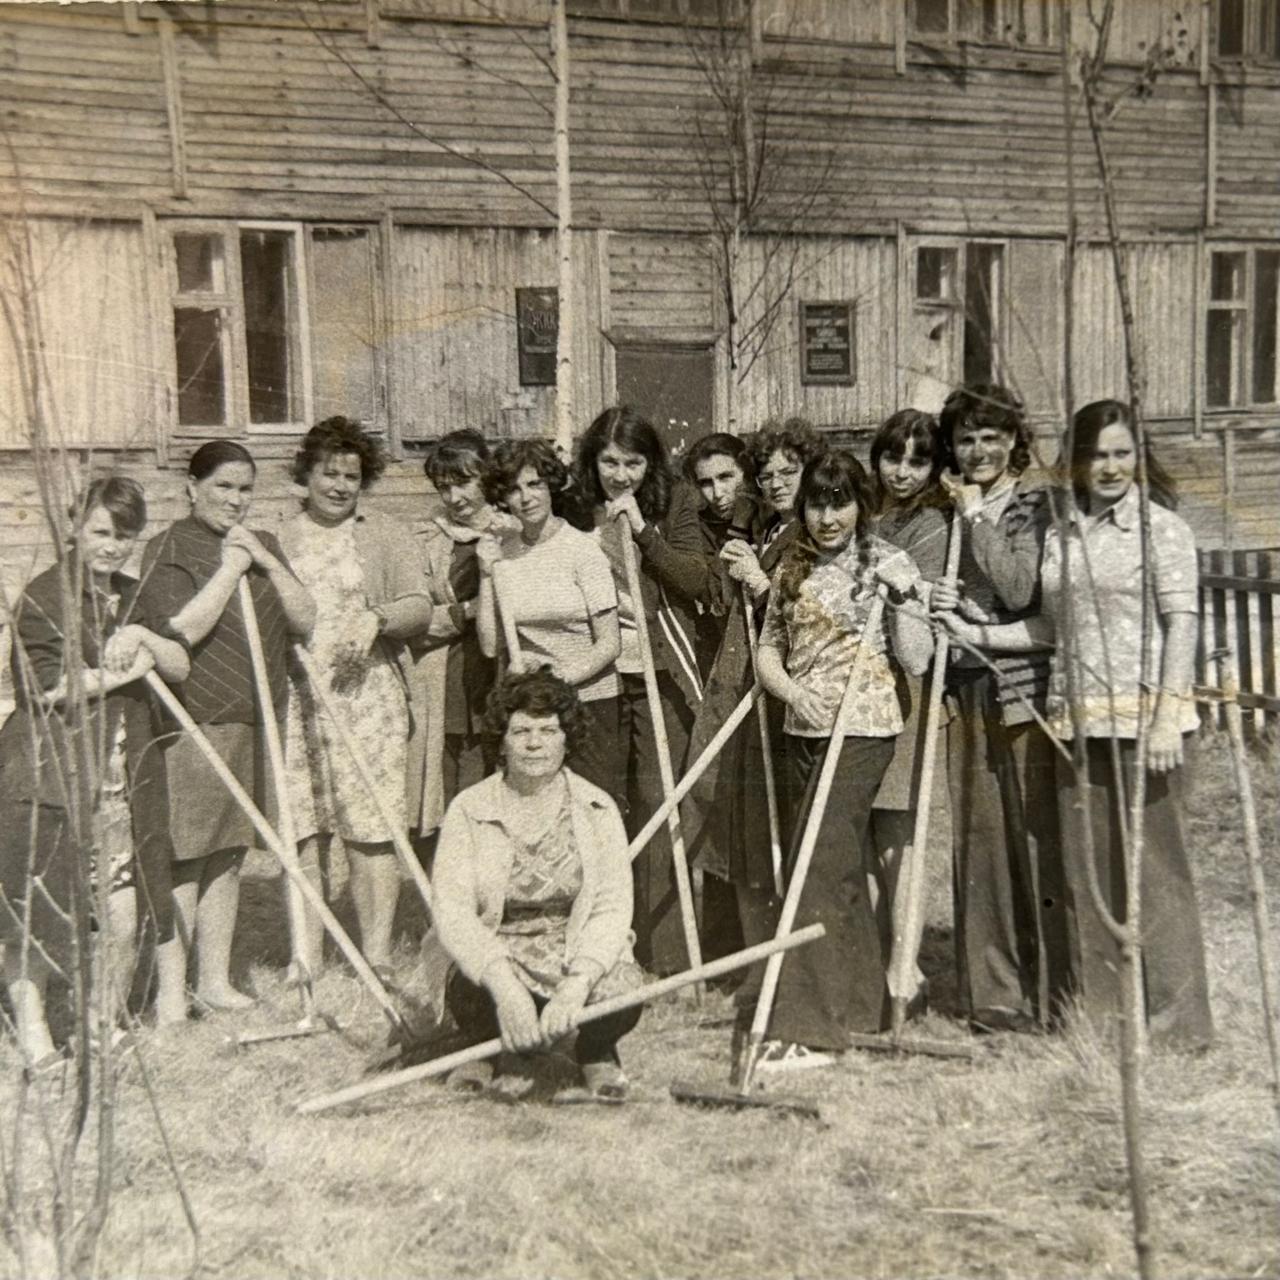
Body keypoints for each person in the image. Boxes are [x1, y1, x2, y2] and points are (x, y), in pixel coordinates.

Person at [941, 400, 1212, 1048]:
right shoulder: (1064, 533)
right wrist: (977, 632)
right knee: (1088, 878)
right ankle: (1104, 1022)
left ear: (1139, 457)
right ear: (1077, 462)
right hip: (1073, 724)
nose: (1110, 467)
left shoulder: (1162, 530)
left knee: (1156, 876)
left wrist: (1168, 718)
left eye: (1122, 454)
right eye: (1097, 455)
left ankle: (1178, 1028)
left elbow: (1182, 626)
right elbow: (1049, 627)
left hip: (1145, 725)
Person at [754, 450, 933, 1070]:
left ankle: (808, 1030)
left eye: (840, 503)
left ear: (861, 505)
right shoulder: (792, 566)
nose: (827, 518)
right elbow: (769, 648)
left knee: (816, 867)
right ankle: (860, 1007)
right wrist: (790, 691)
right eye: (816, 504)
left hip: (863, 729)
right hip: (803, 728)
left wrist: (904, 600)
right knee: (837, 866)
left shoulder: (889, 562)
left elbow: (917, 659)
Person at [0, 478, 188, 1065]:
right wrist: (129, 670)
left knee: (123, 908)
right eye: (101, 532)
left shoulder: (135, 596)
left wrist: (143, 636)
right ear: (74, 528)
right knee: (37, 910)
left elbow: (179, 663)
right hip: (49, 774)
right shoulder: (45, 595)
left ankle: (99, 1024)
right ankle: (34, 1033)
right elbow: (46, 688)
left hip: (122, 778)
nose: (112, 546)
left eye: (125, 535)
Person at [139, 440, 315, 1020]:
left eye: (245, 489)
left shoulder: (261, 543)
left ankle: (213, 981)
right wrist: (231, 568)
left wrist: (263, 561)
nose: (236, 500)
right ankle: (170, 992)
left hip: (256, 713)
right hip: (195, 719)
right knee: (186, 855)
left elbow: (306, 618)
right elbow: (179, 629)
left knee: (229, 853)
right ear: (192, 487)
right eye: (223, 487)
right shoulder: (169, 546)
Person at [430, 669, 644, 1099]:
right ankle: (481, 1050)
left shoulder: (597, 808)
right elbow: (452, 911)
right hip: (497, 956)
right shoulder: (469, 809)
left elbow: (612, 908)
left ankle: (595, 1052)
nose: (534, 743)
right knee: (470, 986)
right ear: (502, 740)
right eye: (521, 731)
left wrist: (577, 984)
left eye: (548, 731)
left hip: (570, 952)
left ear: (567, 739)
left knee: (622, 989)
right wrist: (506, 987)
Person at [932, 384, 1068, 1034]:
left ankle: (1053, 992)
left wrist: (977, 517)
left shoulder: (1031, 506)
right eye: (967, 439)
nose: (979, 450)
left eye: (992, 437)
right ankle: (995, 995)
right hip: (965, 688)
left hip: (1022, 690)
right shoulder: (950, 506)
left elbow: (1018, 590)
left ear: (1014, 439)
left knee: (1033, 840)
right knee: (979, 844)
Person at [280, 417, 432, 974]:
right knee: (305, 828)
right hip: (299, 699)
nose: (340, 486)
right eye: (329, 473)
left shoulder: (385, 533)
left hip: (369, 698)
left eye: (351, 476)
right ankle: (307, 955)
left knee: (371, 827)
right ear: (307, 474)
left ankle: (376, 951)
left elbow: (420, 606)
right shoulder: (281, 537)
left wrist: (378, 617)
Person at [574, 406, 713, 974]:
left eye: (633, 463)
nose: (621, 475)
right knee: (603, 805)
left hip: (658, 670)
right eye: (610, 462)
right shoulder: (575, 506)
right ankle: (606, 942)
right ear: (593, 461)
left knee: (661, 802)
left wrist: (642, 532)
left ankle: (668, 952)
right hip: (597, 674)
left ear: (651, 463)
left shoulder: (674, 503)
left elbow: (695, 578)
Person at [687, 420, 827, 972]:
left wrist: (761, 582)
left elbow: (814, 621)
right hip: (747, 697)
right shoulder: (766, 529)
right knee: (745, 829)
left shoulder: (815, 534)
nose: (776, 483)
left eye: (789, 472)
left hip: (786, 701)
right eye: (766, 475)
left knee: (780, 829)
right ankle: (754, 959)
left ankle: (787, 963)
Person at [475, 439, 621, 793]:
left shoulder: (583, 550)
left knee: (589, 807)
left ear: (551, 485)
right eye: (514, 489)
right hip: (533, 711)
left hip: (589, 703)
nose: (526, 498)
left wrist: (558, 679)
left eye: (534, 484)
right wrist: (485, 573)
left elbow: (610, 644)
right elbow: (491, 646)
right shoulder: (504, 554)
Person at [867, 409, 951, 1014]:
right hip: (851, 688)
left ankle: (906, 969)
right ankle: (876, 961)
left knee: (899, 839)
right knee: (862, 834)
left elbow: (915, 633)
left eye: (918, 461)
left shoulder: (932, 526)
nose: (902, 472)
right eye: (893, 457)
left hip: (905, 691)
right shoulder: (863, 511)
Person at [408, 430, 501, 846]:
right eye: (444, 488)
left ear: (486, 477)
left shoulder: (512, 531)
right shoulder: (428, 540)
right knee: (445, 800)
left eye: (464, 483)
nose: (454, 498)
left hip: (497, 676)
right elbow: (414, 619)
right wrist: (464, 612)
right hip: (447, 681)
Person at [682, 432, 757, 679]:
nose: (717, 493)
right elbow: (719, 596)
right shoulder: (696, 528)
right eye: (706, 483)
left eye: (726, 477)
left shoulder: (772, 519)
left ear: (747, 473)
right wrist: (739, 524)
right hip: (722, 654)